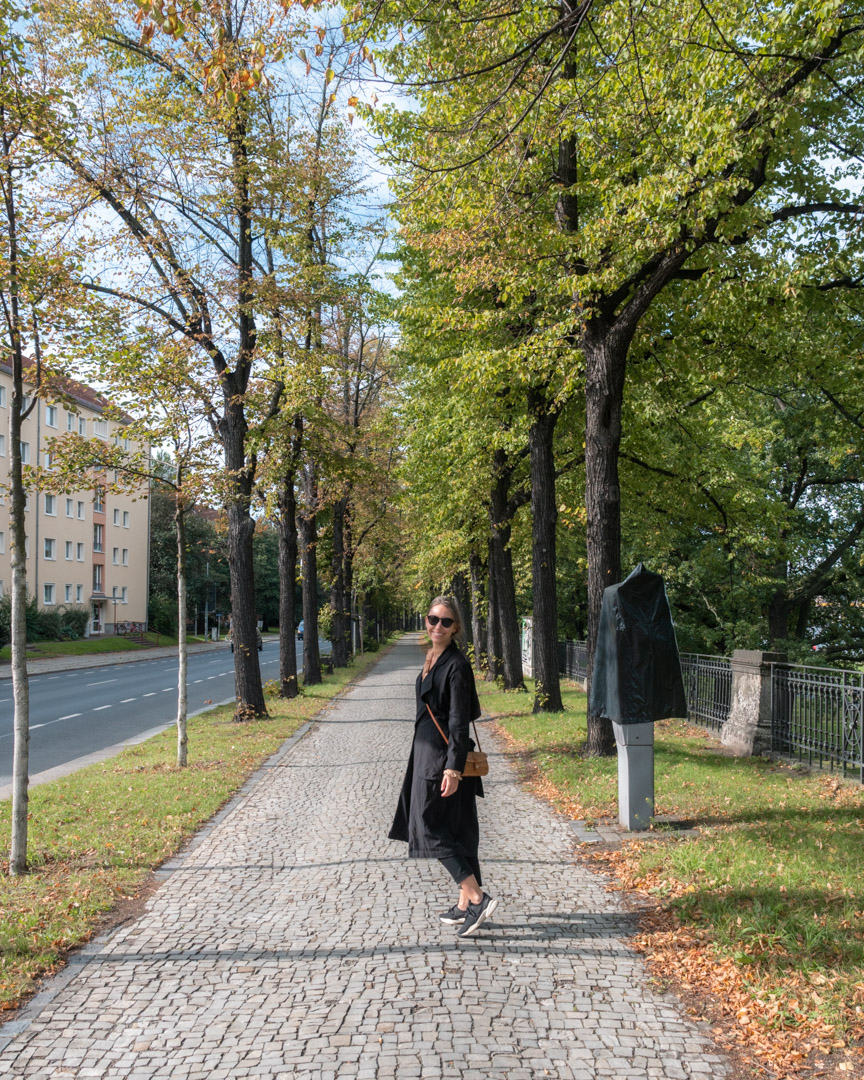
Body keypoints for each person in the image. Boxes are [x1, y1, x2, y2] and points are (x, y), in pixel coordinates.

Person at [389, 595, 498, 937]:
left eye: (446, 621)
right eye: (433, 619)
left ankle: (477, 897)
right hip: (427, 752)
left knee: (429, 825)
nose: (438, 626)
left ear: (456, 628)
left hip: (442, 758)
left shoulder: (456, 665)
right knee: (459, 829)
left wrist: (452, 768)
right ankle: (465, 904)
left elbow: (458, 720)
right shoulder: (432, 657)